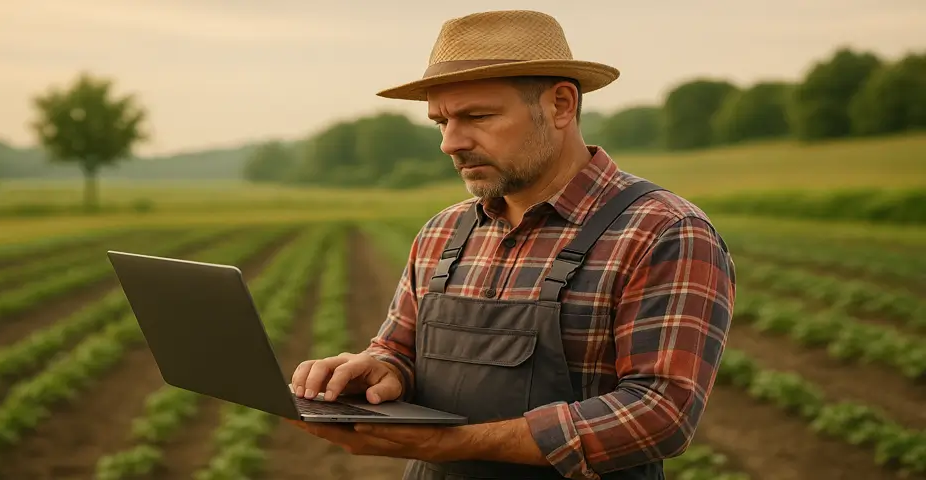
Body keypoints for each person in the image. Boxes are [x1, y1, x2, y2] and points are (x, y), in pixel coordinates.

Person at [288, 9, 736, 480]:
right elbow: (399, 350)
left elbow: (659, 414)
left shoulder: (663, 231)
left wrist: (455, 444)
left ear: (561, 105)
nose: (450, 142)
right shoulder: (443, 231)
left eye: (476, 116)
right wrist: (378, 370)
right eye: (440, 121)